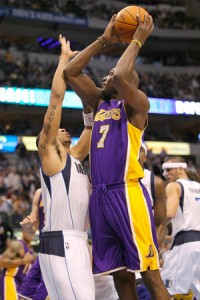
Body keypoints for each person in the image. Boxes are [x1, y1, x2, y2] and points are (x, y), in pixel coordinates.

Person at [64, 14, 170, 300]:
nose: (107, 75)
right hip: (100, 197)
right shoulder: (99, 103)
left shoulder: (137, 105)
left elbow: (123, 75)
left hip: (127, 192)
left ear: (130, 85)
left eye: (111, 74)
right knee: (121, 278)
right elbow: (71, 73)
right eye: (107, 74)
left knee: (150, 275)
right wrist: (104, 39)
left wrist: (137, 40)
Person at [37, 35, 95, 300]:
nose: (62, 128)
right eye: (56, 129)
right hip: (63, 240)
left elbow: (91, 128)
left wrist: (90, 101)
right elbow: (57, 98)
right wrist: (64, 60)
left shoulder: (73, 156)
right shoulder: (51, 153)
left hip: (76, 241)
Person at [161, 156, 200, 300]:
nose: (165, 174)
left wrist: (151, 222)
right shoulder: (198, 186)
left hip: (185, 244)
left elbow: (169, 214)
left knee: (163, 290)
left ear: (180, 168)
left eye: (168, 169)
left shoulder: (174, 186)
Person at [18, 188, 48, 300]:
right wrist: (28, 228)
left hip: (61, 249)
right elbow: (32, 229)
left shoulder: (66, 187)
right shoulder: (39, 193)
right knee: (25, 295)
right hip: (43, 252)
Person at [0, 230, 35, 300]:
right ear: (23, 232)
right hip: (10, 279)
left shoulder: (31, 249)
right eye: (28, 231)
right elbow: (1, 261)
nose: (30, 234)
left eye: (32, 232)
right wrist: (23, 261)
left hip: (21, 283)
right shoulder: (17, 245)